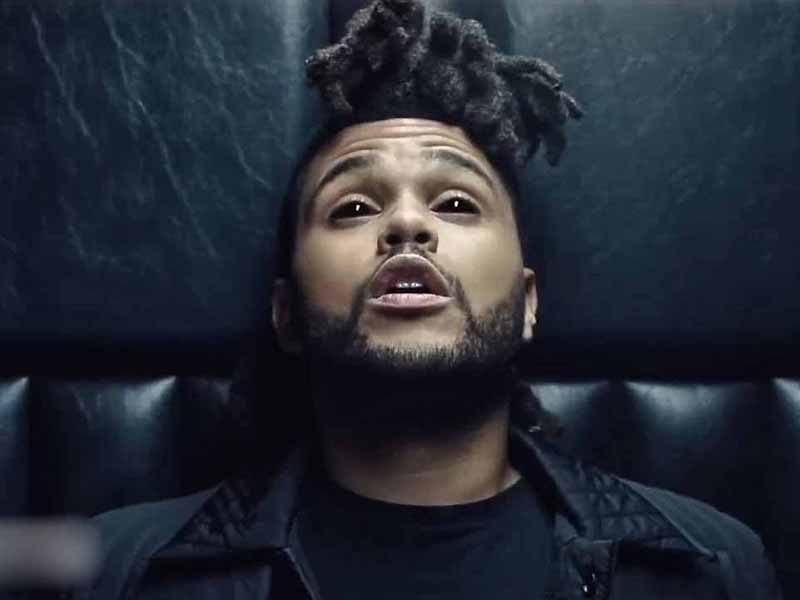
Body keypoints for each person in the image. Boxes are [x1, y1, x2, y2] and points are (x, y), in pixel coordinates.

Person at [71, 1, 782, 598]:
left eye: (456, 202)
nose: (407, 225)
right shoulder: (123, 572)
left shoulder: (711, 568)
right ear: (284, 313)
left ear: (528, 302)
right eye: (353, 207)